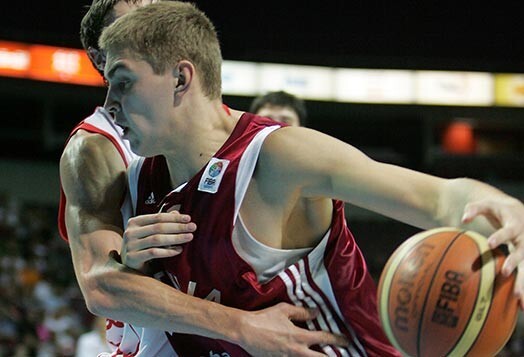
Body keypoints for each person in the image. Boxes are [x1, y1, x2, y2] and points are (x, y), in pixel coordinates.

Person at [100, 1, 524, 355]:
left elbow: (441, 201)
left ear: (181, 77)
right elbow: (123, 304)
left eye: (122, 83)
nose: (109, 103)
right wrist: (135, 269)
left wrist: (512, 214)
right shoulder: (140, 181)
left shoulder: (277, 158)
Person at [61, 0, 342, 356]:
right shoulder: (96, 147)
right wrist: (243, 326)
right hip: (162, 344)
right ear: (101, 58)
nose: (153, 30)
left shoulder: (217, 122)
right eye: (133, 26)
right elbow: (103, 287)